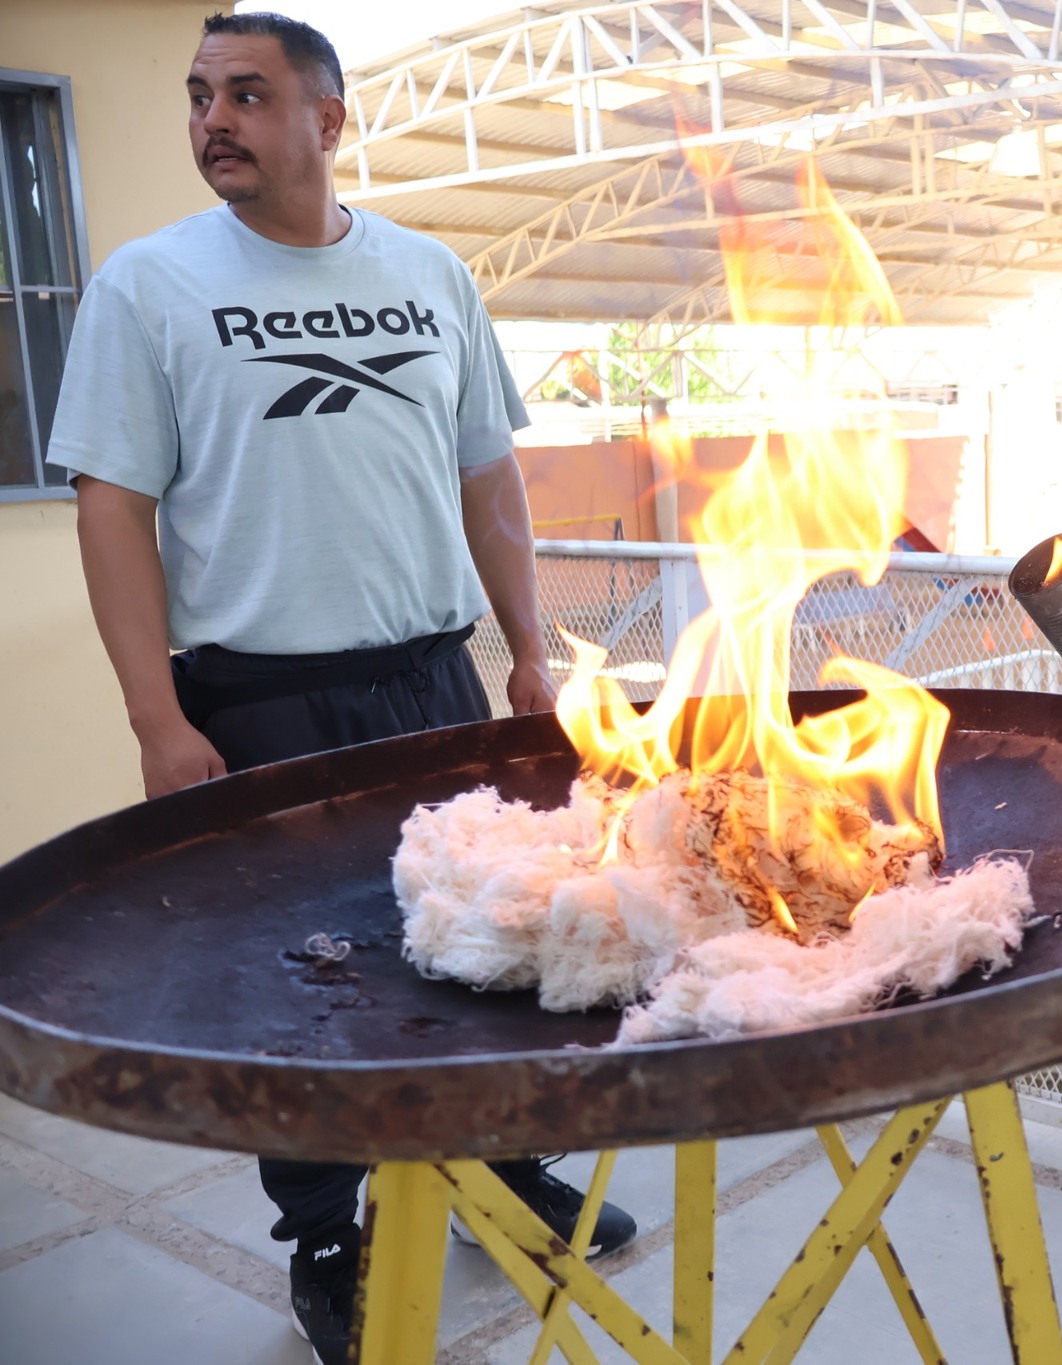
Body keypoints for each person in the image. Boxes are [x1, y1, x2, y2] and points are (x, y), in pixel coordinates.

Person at [50, 13, 634, 1361]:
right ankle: (326, 1231)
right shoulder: (151, 284)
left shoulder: (430, 274)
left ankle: (490, 1165)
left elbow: (490, 477)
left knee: (477, 945)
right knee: (296, 992)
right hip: (255, 696)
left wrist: (529, 647)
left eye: (246, 95)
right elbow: (110, 509)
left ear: (329, 119)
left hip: (429, 675)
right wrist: (159, 718)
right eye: (199, 96)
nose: (212, 120)